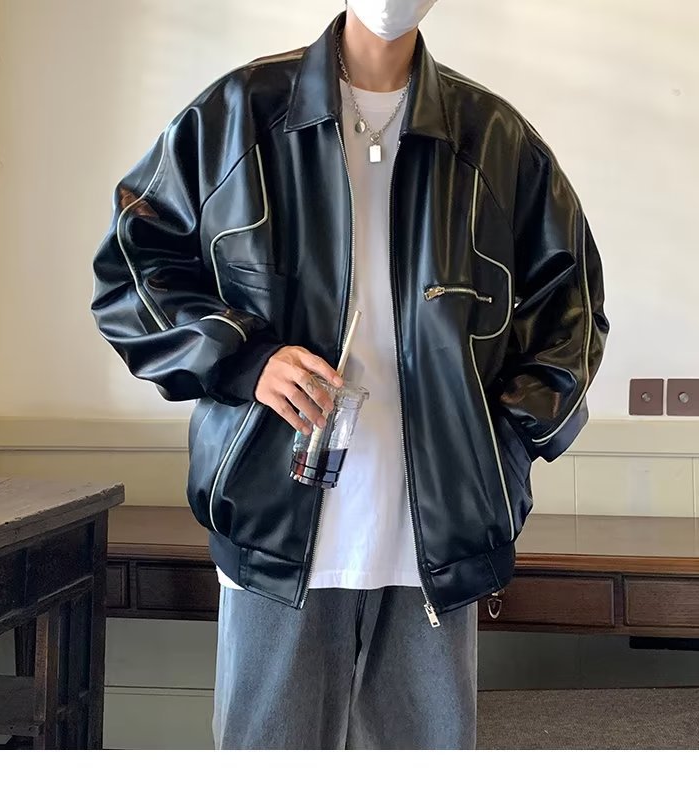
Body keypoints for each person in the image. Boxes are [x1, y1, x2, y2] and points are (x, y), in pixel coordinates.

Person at [92, 0, 609, 749]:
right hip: (274, 520)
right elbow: (131, 265)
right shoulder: (240, 115)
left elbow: (573, 305)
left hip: (434, 539)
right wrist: (246, 359)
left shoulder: (494, 139)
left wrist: (499, 443)